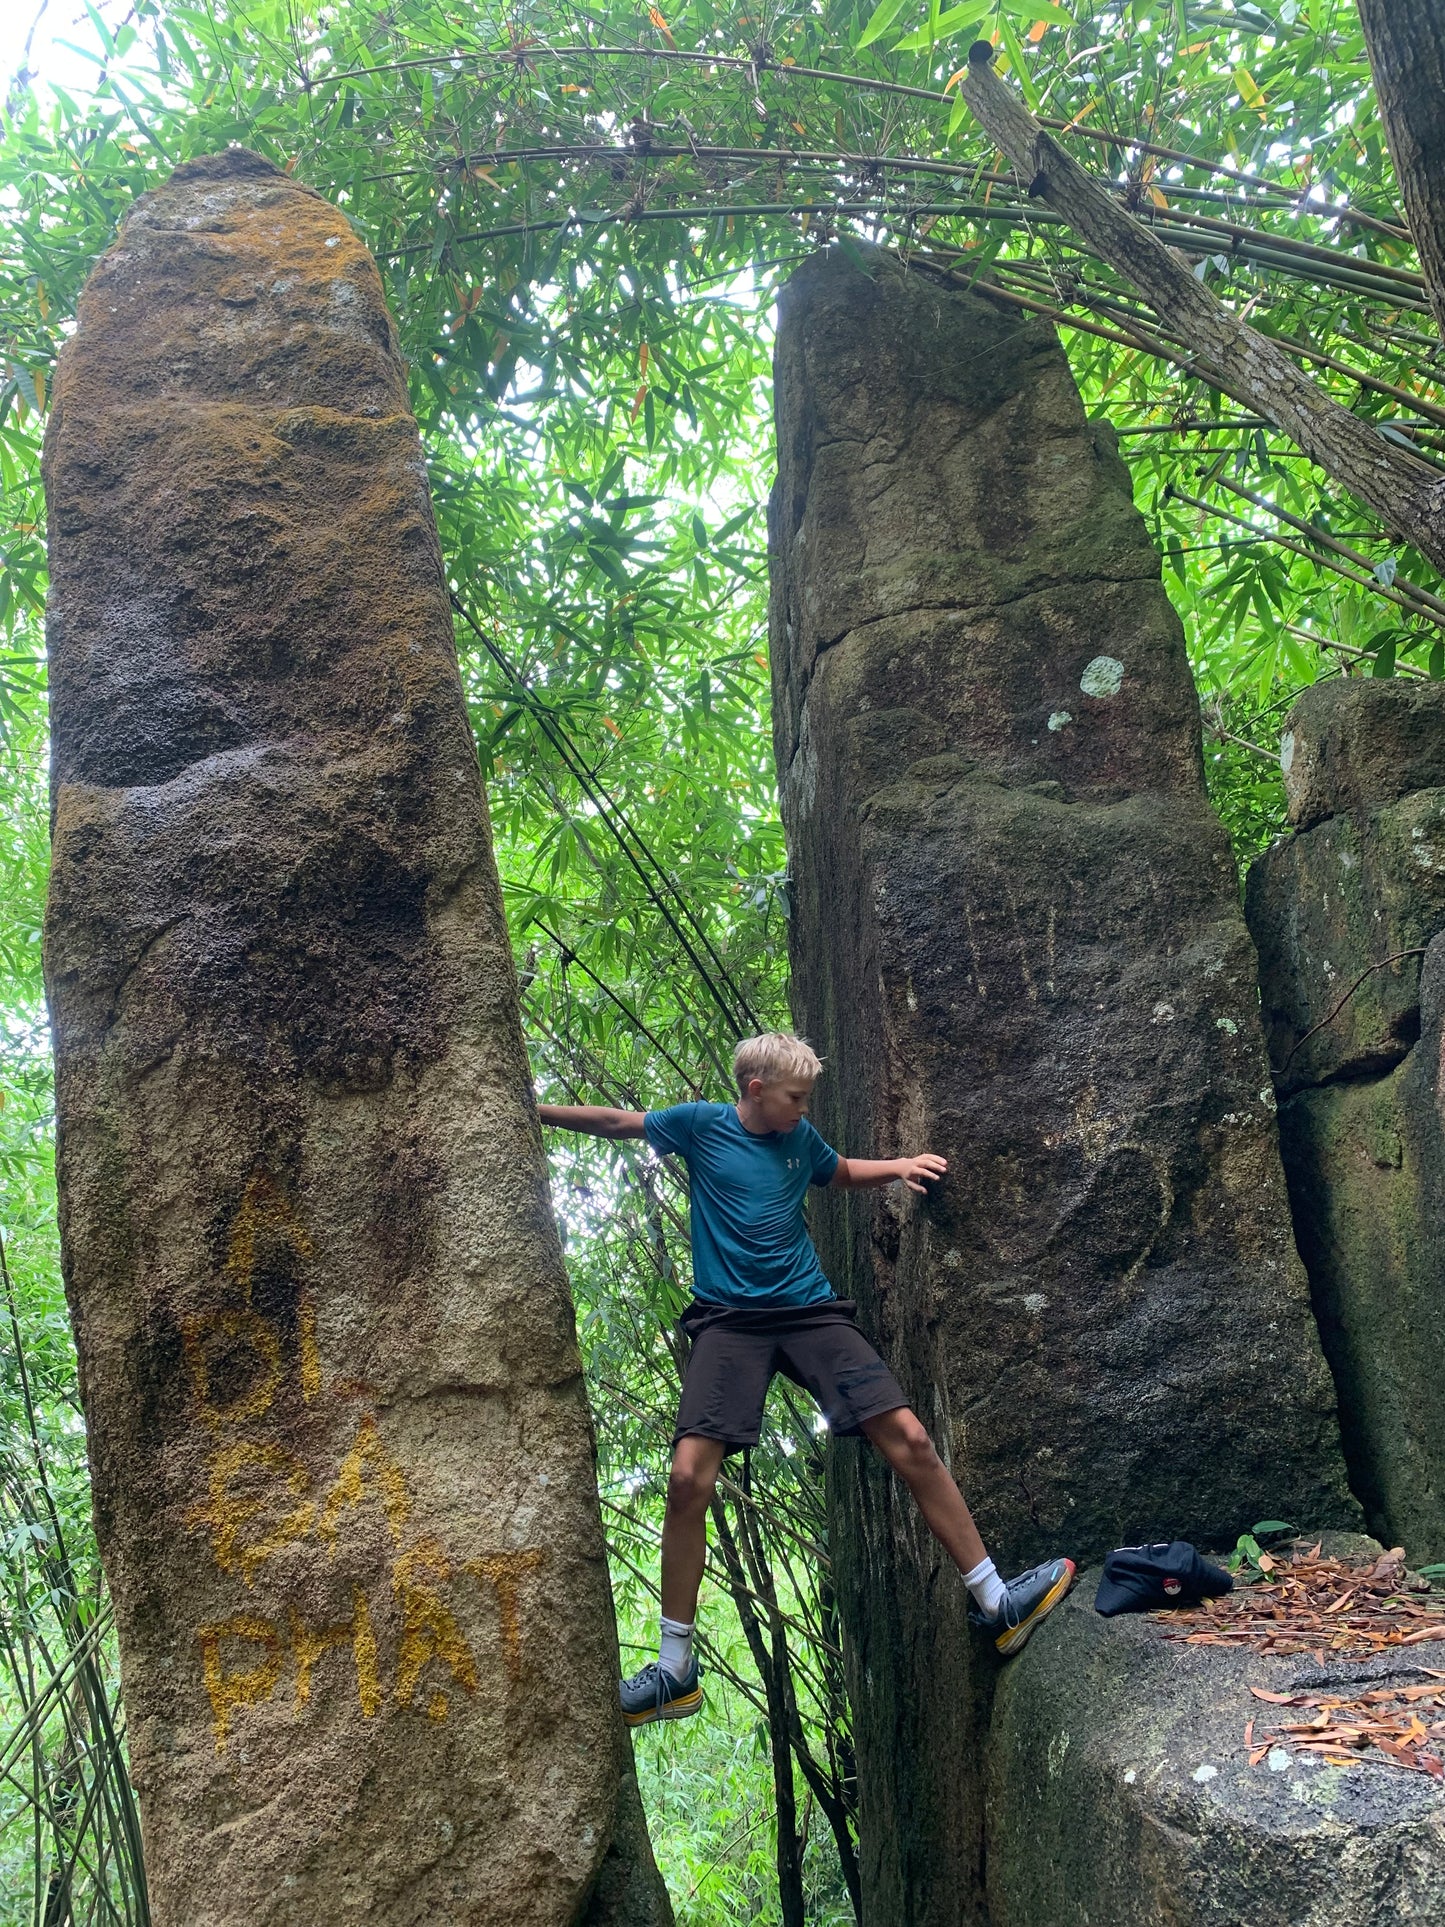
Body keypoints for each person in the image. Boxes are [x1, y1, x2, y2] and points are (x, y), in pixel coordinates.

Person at [537, 1030, 1074, 1728]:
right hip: (729, 1320)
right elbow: (618, 1123)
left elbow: (838, 1169)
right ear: (755, 1090)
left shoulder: (799, 1139)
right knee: (686, 1476)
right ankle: (674, 1669)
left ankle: (995, 1600)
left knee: (908, 1436)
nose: (803, 1108)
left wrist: (899, 1166)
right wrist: (535, 1109)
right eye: (795, 1097)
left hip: (808, 1308)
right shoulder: (700, 1125)